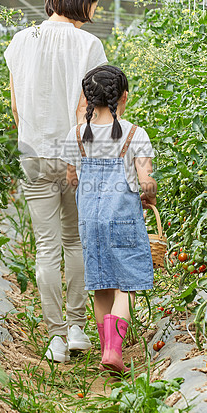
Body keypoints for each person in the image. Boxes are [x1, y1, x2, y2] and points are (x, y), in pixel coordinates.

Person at [4, 0, 108, 363]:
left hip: (33, 153)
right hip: (74, 156)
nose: (97, 8)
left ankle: (56, 339)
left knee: (45, 248)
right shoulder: (88, 46)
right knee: (75, 242)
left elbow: (15, 106)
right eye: (96, 0)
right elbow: (88, 108)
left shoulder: (19, 41)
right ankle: (79, 327)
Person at [62, 65, 157, 373]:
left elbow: (71, 178)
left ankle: (107, 349)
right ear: (123, 98)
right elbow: (146, 180)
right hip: (124, 218)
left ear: (87, 100)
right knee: (126, 284)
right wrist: (149, 195)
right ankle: (114, 350)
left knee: (101, 284)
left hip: (90, 220)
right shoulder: (135, 134)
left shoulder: (76, 134)